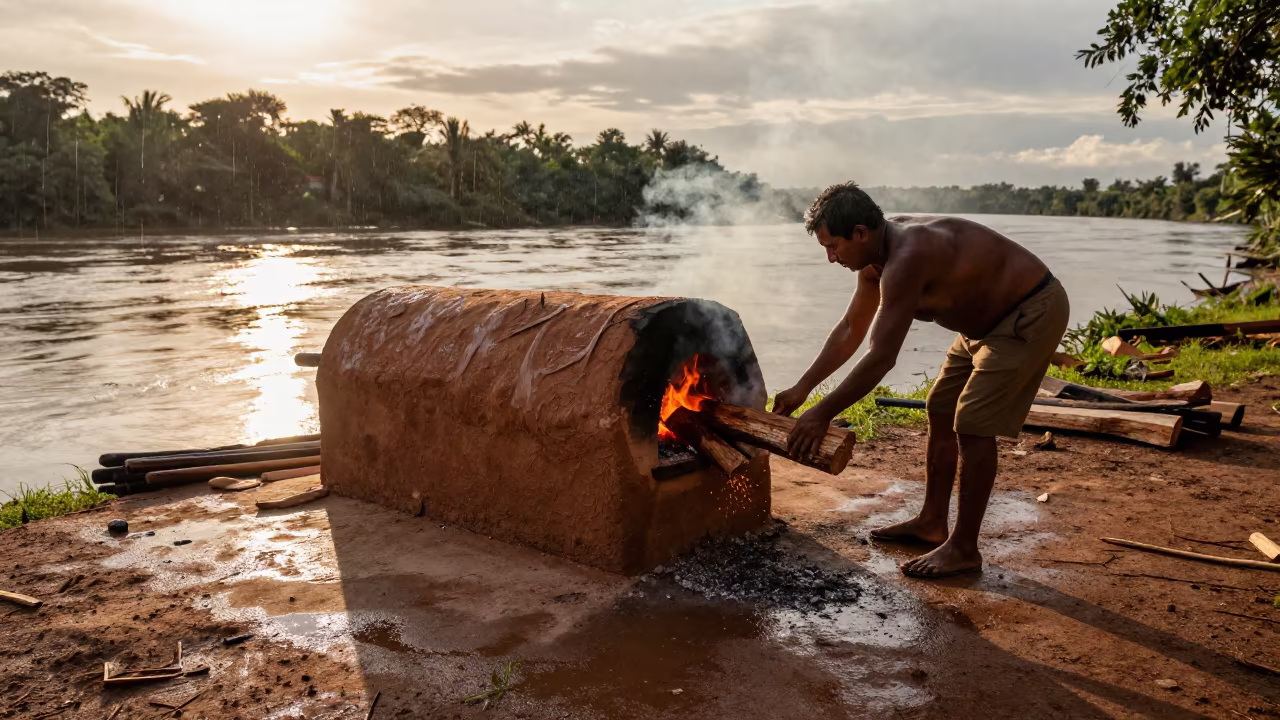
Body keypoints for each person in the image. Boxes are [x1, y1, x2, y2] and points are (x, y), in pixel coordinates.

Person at [773, 182, 1070, 578]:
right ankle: (932, 522)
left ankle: (965, 548)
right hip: (977, 328)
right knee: (940, 408)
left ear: (860, 233)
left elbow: (881, 358)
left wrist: (822, 414)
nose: (830, 258)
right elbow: (849, 330)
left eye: (833, 246)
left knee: (973, 423)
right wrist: (802, 388)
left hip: (1028, 312)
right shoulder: (873, 263)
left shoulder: (908, 256)